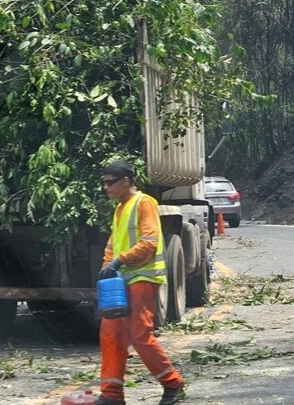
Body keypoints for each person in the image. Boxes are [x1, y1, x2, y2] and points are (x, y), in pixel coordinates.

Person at [96, 160, 184, 405]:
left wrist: (119, 262)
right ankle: (112, 395)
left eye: (110, 182)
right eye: (104, 183)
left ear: (126, 181)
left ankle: (173, 383)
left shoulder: (144, 203)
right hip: (121, 281)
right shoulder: (120, 208)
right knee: (111, 334)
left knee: (139, 334)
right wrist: (107, 266)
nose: (106, 187)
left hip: (142, 278)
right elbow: (113, 244)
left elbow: (149, 243)